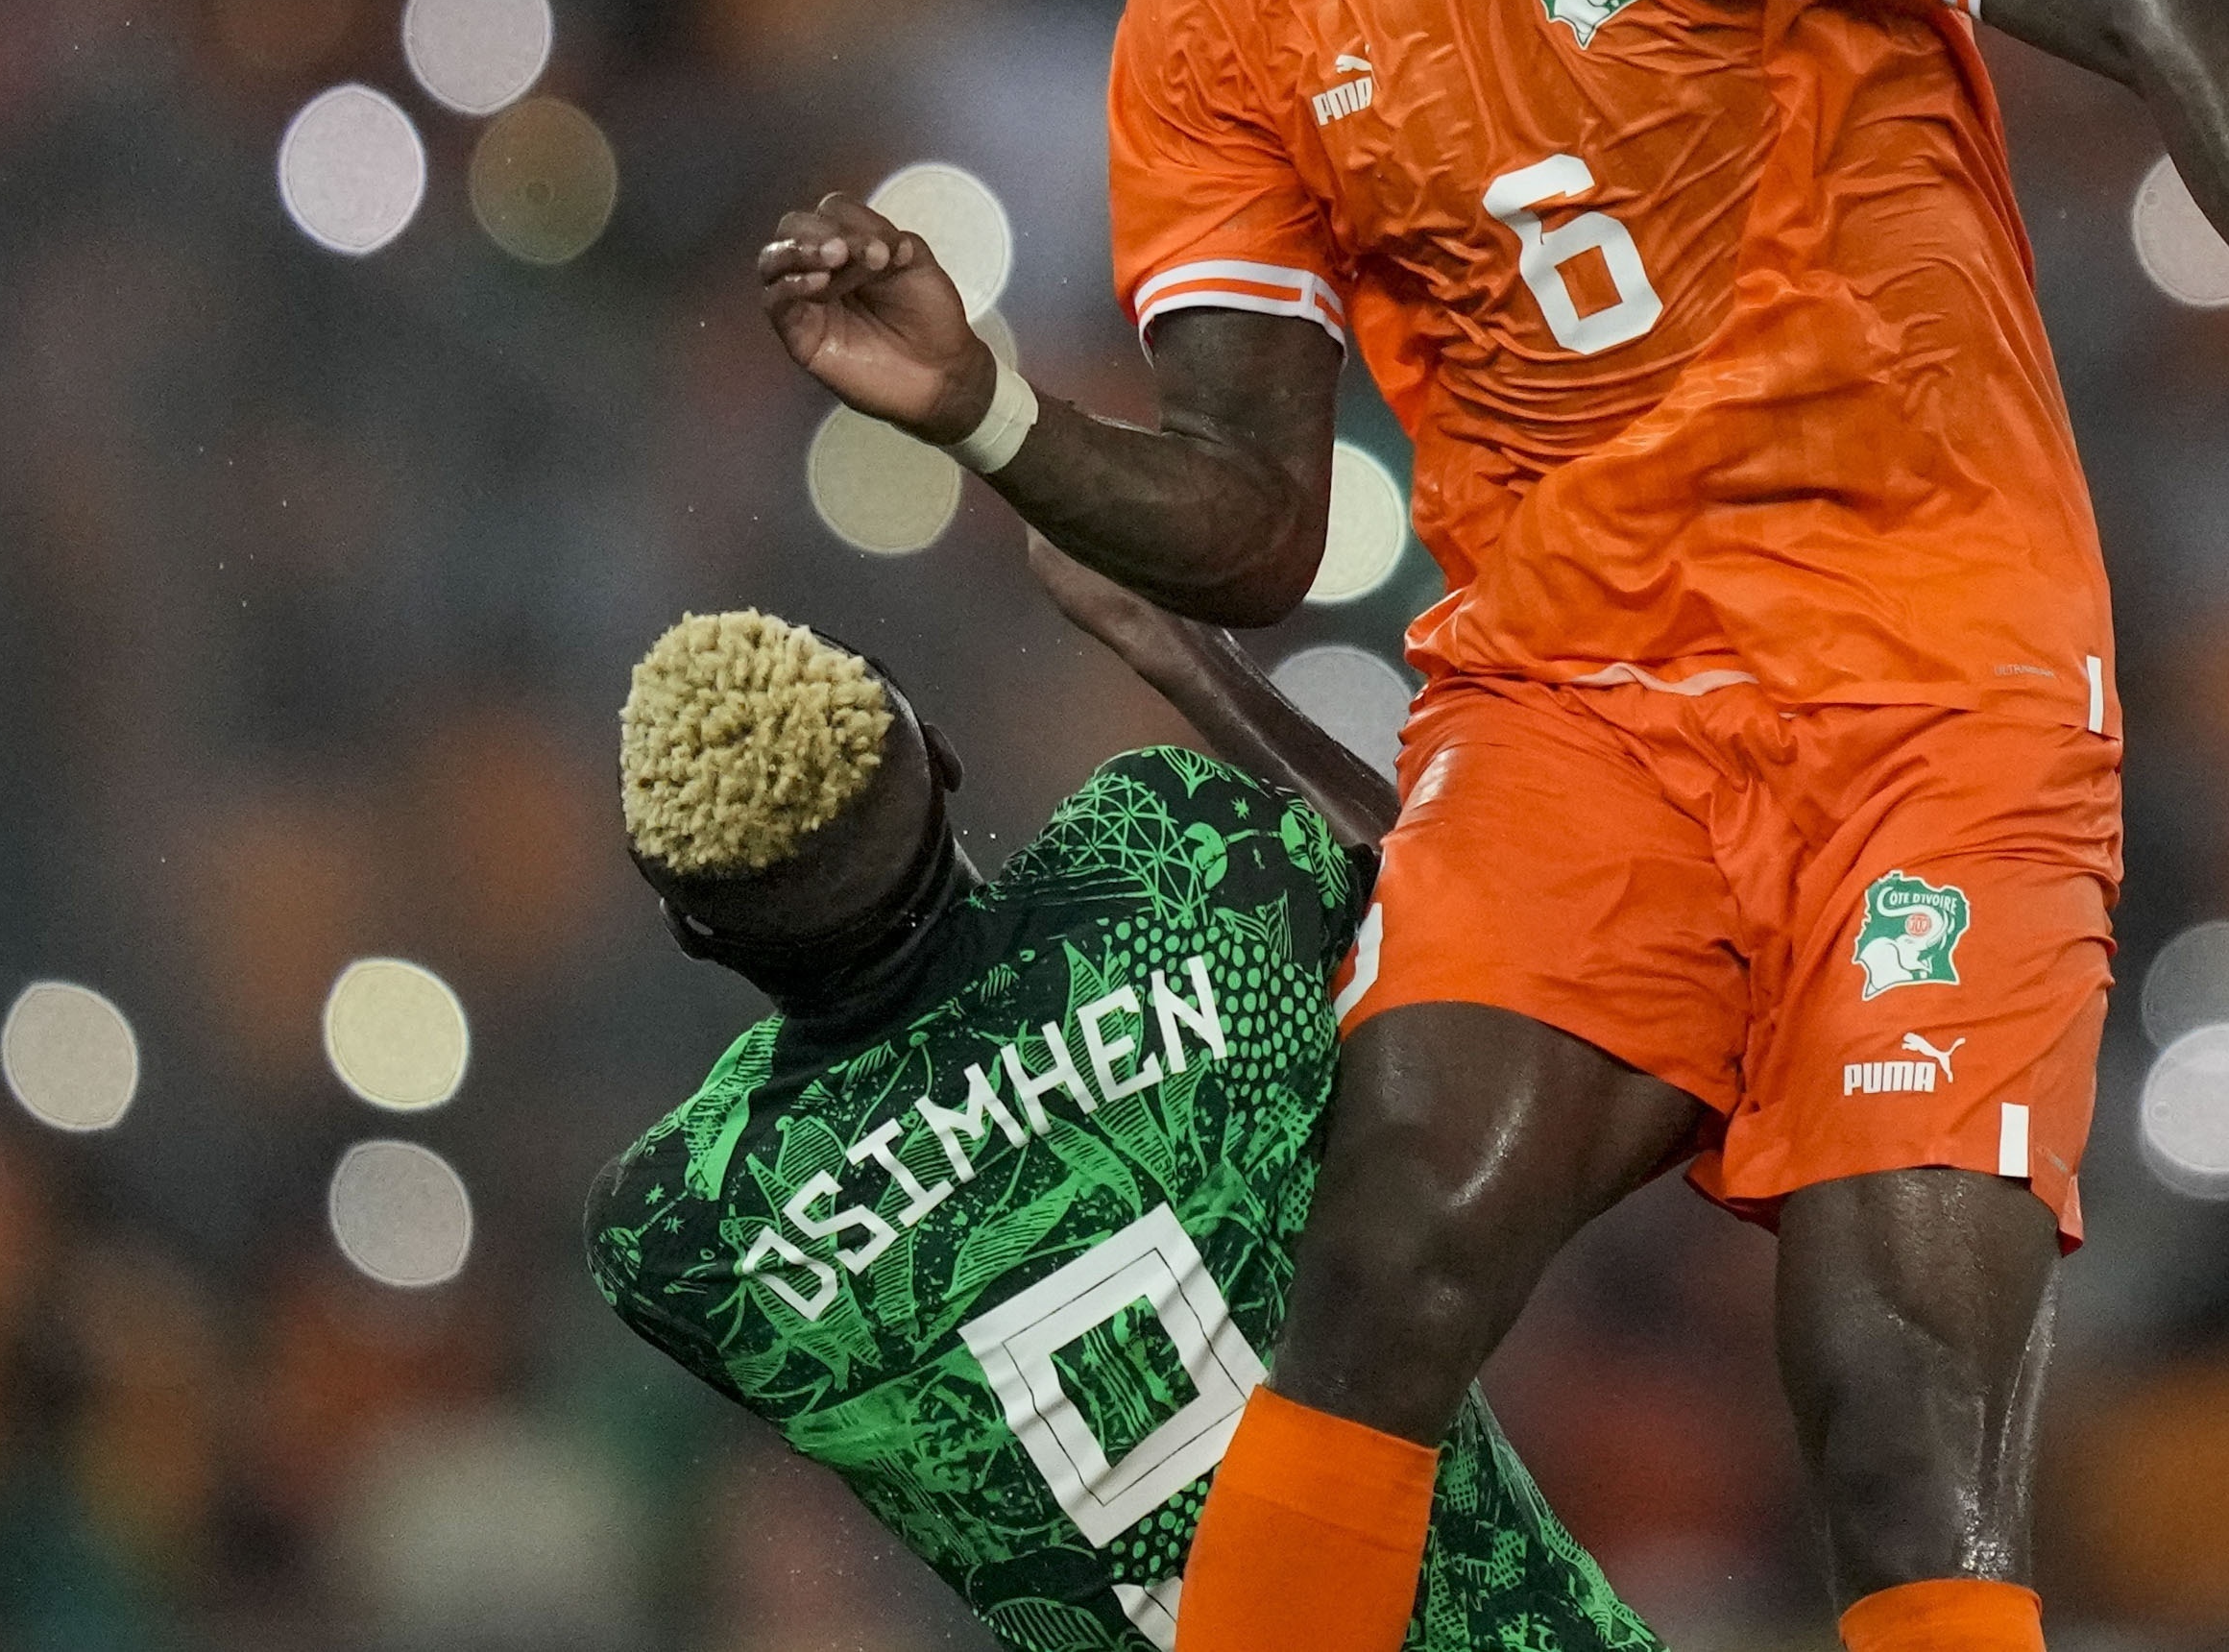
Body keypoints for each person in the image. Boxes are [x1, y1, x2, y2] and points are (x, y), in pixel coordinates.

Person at [757, 0, 2229, 1652]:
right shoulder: (1207, 2)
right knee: (1390, 1244)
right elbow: (1258, 523)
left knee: (1892, 1409)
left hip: (1936, 698)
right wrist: (977, 408)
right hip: (1576, 708)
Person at [583, 542, 1662, 1651]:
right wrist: (1179, 652)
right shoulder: (1168, 860)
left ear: (689, 930)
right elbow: (1443, 936)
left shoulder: (682, 1232)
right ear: (943, 757)